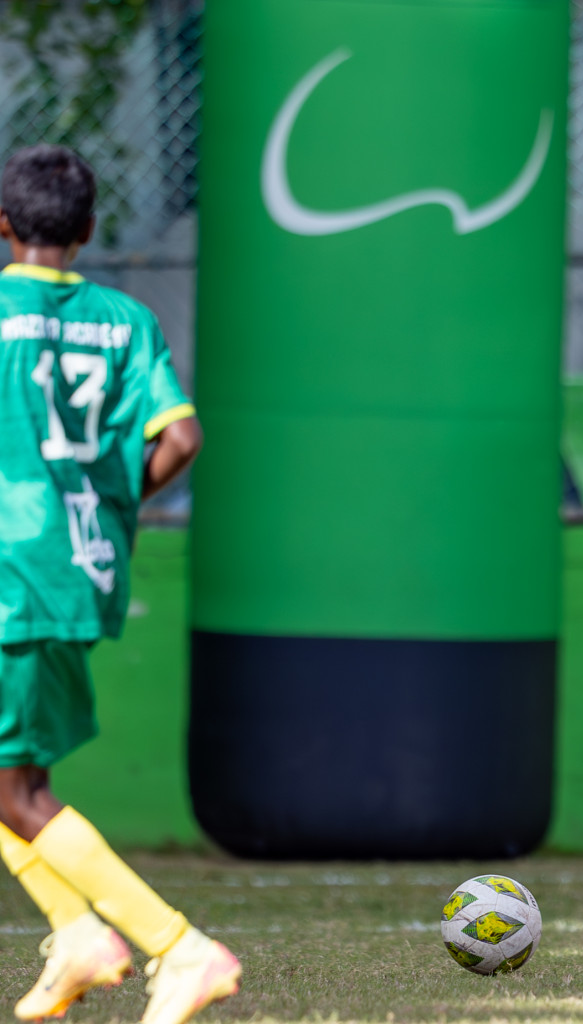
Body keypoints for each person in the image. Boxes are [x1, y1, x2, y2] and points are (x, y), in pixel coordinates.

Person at [0, 145, 239, 1024]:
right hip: (75, 563)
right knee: (10, 776)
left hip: (8, 570)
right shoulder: (126, 320)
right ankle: (73, 931)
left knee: (20, 793)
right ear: (89, 228)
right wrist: (104, 503)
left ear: (2, 225)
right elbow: (180, 439)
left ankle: (178, 948)